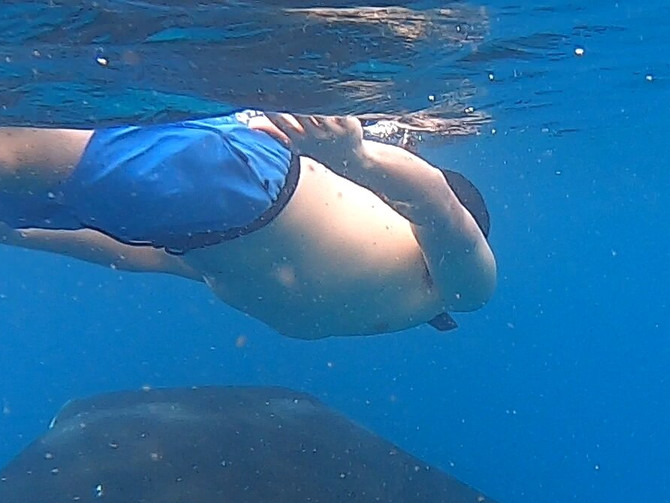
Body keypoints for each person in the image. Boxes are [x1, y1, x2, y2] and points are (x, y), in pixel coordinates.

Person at [0, 111, 496, 338]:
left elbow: (145, 258)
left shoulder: (394, 297)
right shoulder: (458, 291)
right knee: (12, 155)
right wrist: (355, 156)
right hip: (246, 183)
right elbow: (438, 205)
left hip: (178, 221)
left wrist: (23, 237)